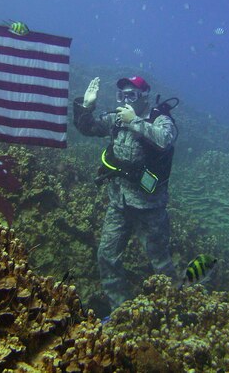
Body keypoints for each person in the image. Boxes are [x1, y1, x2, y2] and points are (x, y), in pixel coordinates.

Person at [73, 76, 179, 312]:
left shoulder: (159, 118)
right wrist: (87, 104)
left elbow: (165, 140)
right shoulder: (117, 119)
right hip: (119, 202)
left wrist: (135, 122)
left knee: (159, 260)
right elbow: (88, 127)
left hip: (149, 207)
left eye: (131, 95)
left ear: (144, 97)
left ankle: (176, 307)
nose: (125, 100)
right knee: (107, 256)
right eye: (122, 95)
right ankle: (120, 310)